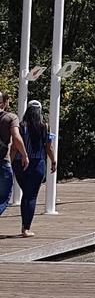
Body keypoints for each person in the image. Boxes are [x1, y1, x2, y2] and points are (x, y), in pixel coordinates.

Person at [11, 99, 55, 237]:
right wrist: (53, 160)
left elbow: (14, 146)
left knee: (26, 194)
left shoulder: (21, 126)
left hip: (20, 163)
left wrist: (9, 162)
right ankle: (26, 228)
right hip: (37, 163)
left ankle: (24, 226)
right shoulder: (44, 126)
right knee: (31, 195)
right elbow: (49, 146)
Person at [0, 90, 29, 221]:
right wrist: (24, 154)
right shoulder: (10, 117)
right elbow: (16, 137)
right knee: (3, 196)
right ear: (5, 102)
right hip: (2, 161)